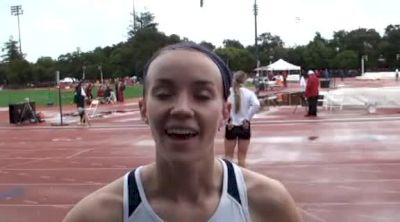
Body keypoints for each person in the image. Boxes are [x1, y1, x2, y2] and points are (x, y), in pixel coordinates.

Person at [63, 42, 302, 222]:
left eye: (202, 95)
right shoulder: (98, 214)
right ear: (144, 109)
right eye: (164, 94)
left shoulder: (269, 205)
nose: (182, 109)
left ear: (225, 112)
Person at [224, 71, 260, 167]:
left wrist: (227, 118)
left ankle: (229, 179)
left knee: (228, 157)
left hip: (231, 125)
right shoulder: (249, 93)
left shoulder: (227, 93)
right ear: (244, 80)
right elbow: (256, 105)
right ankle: (242, 179)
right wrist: (247, 118)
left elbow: (222, 106)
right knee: (242, 157)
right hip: (244, 126)